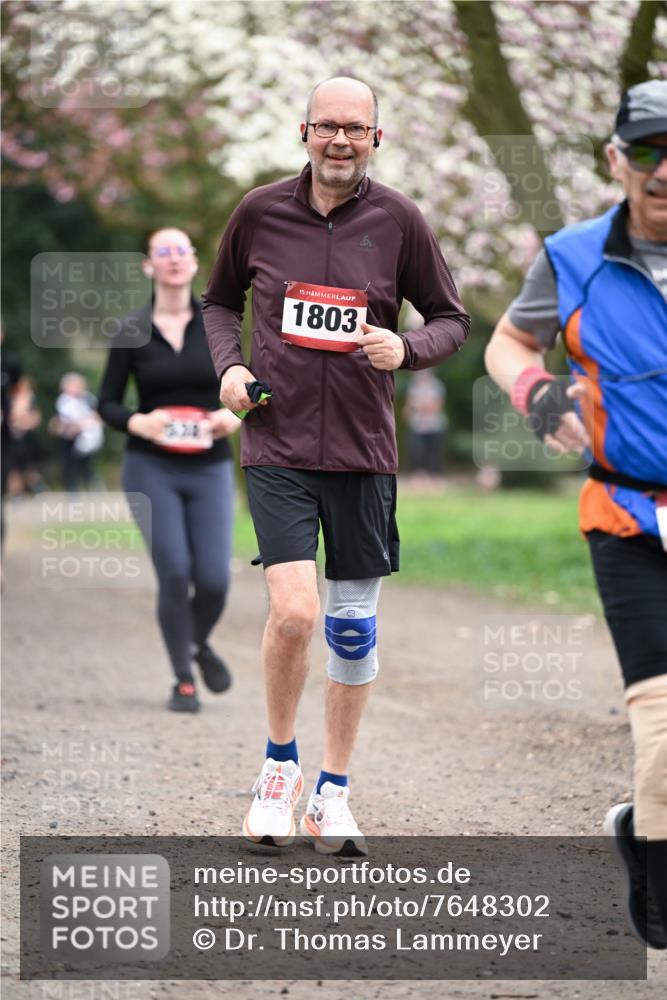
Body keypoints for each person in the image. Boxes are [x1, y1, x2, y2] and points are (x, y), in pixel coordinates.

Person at [202, 77, 469, 854]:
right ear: (304, 131)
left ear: (375, 138)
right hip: (278, 443)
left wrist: (405, 348)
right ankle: (278, 768)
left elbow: (451, 319)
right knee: (294, 613)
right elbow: (219, 302)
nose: (340, 140)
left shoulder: (399, 221)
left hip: (362, 452)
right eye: (327, 126)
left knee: (351, 630)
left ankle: (332, 792)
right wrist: (228, 368)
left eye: (356, 128)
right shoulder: (259, 212)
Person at [485, 80, 667, 948]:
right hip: (625, 511)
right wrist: (535, 390)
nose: (663, 171)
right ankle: (657, 870)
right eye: (647, 151)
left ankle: (640, 822)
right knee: (661, 711)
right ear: (614, 160)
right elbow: (508, 341)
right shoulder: (572, 256)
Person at [99, 227, 241, 713]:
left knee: (215, 580)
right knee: (176, 572)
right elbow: (106, 403)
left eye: (182, 250)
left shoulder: (222, 325)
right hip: (150, 467)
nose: (175, 258)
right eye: (164, 251)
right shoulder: (130, 329)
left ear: (195, 262)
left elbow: (257, 387)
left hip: (210, 467)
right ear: (149, 265)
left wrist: (234, 416)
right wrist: (139, 422)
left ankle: (195, 645)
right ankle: (183, 678)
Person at [49, 372, 103, 491]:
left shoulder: (88, 399)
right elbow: (56, 422)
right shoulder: (62, 401)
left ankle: (94, 488)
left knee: (87, 467)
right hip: (67, 439)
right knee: (68, 467)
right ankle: (73, 490)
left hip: (86, 439)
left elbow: (98, 417)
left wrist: (85, 425)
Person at [403, 369, 447, 479]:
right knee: (417, 452)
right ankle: (419, 476)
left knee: (434, 453)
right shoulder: (413, 387)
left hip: (434, 426)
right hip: (417, 426)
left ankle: (435, 475)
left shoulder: (437, 385)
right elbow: (408, 407)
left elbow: (436, 406)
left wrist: (419, 406)